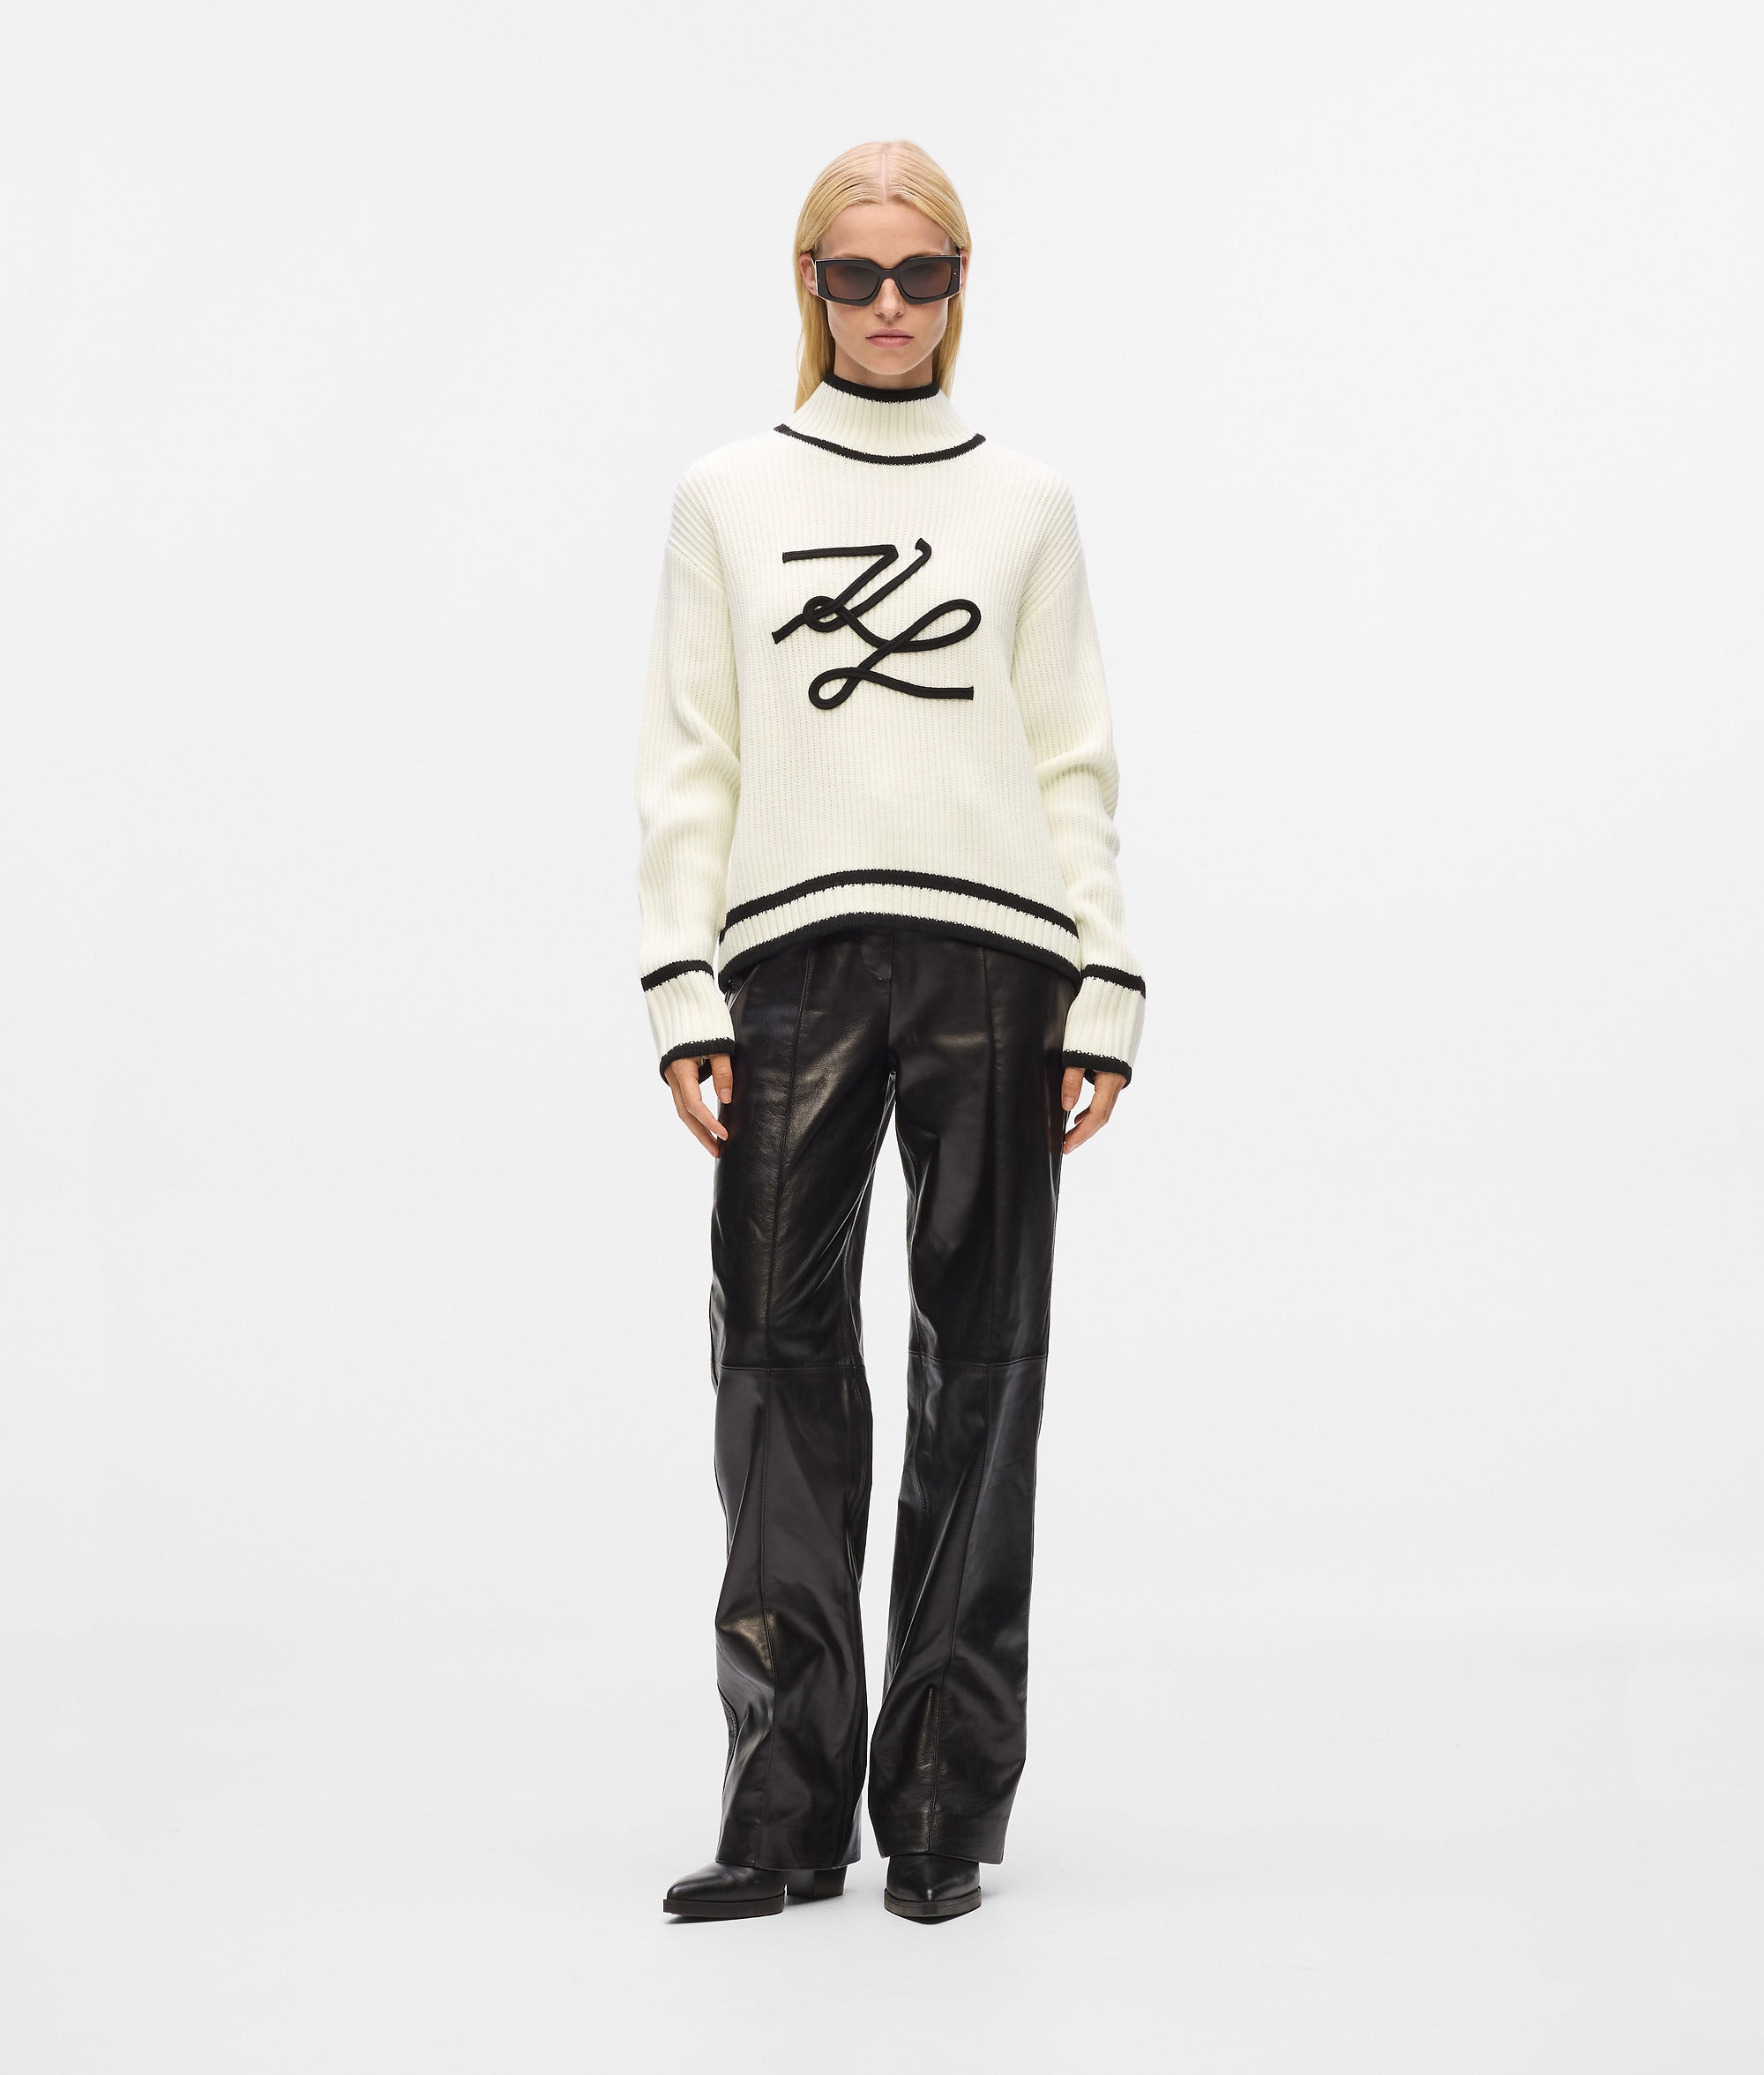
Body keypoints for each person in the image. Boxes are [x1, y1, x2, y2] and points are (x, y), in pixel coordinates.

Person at [635, 138, 1145, 1925]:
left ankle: (940, 1802)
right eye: (853, 274)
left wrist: (1104, 985)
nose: (886, 305)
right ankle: (782, 1810)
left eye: (919, 273)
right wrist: (679, 982)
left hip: (1000, 963)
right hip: (788, 965)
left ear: (958, 284)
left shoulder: (1026, 502)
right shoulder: (727, 495)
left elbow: (1071, 756)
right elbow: (691, 752)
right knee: (774, 1361)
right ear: (810, 284)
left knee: (982, 1368)